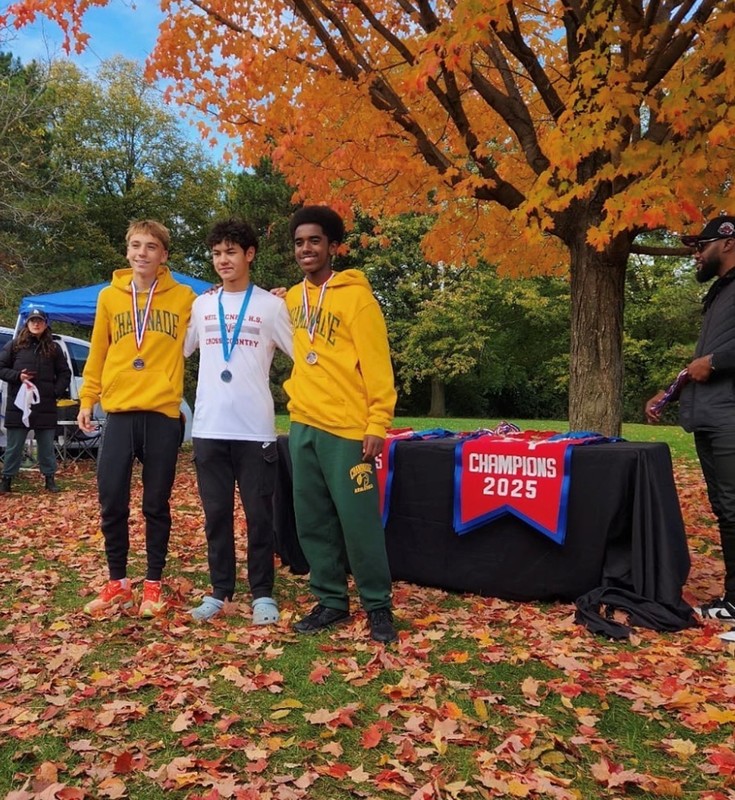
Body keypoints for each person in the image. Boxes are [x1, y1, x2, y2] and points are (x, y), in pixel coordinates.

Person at [284, 205, 398, 643]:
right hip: (304, 423)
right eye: (299, 242)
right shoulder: (293, 298)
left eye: (314, 241)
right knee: (313, 520)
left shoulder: (358, 298)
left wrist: (377, 422)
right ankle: (330, 600)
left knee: (358, 522)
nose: (306, 249)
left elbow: (377, 367)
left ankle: (378, 605)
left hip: (349, 429)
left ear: (333, 247)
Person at [79, 220, 196, 618]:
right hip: (120, 412)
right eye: (135, 245)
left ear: (163, 255)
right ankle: (116, 583)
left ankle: (152, 584)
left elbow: (221, 312)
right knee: (111, 499)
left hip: (162, 413)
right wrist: (86, 399)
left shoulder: (183, 298)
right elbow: (97, 353)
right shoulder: (109, 298)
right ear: (126, 250)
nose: (141, 253)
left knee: (155, 503)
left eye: (150, 246)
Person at [184, 218, 293, 624]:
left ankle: (262, 593)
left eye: (231, 251)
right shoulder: (201, 304)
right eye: (216, 253)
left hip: (255, 428)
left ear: (250, 255)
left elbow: (306, 352)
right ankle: (219, 591)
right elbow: (181, 348)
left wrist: (293, 299)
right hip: (209, 426)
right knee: (216, 515)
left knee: (259, 515)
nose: (223, 260)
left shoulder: (271, 305)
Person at [646, 215, 735, 624]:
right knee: (724, 507)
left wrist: (717, 361)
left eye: (701, 246)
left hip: (730, 415)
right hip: (711, 414)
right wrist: (669, 392)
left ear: (728, 242)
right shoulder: (720, 294)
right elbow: (700, 363)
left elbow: (713, 360)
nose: (696, 254)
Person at [0, 309, 71, 494]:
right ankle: (7, 480)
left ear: (45, 324)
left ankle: (49, 479)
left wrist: (54, 392)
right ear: (27, 323)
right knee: (14, 446)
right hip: (19, 404)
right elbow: (1, 367)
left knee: (46, 446)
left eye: (39, 321)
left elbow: (65, 373)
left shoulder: (54, 348)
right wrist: (18, 376)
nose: (36, 324)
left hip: (45, 405)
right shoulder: (15, 345)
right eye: (32, 321)